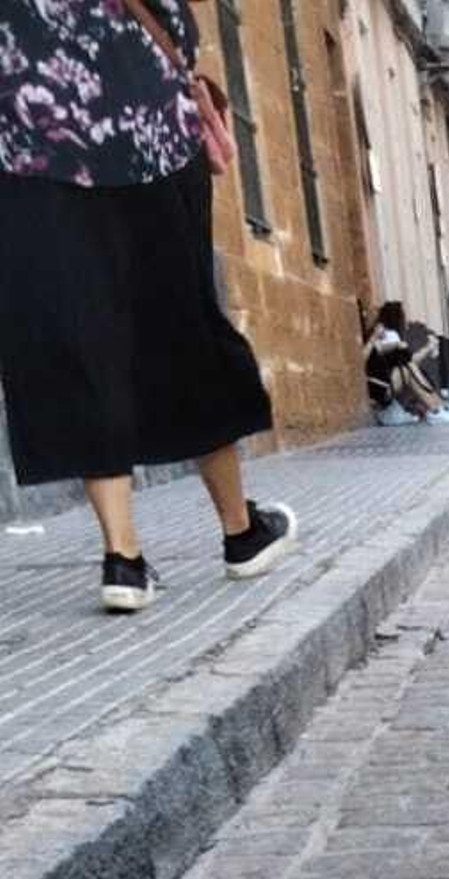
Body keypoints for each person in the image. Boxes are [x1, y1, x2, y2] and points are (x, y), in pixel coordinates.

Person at [0, 0, 297, 614]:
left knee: (79, 340)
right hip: (145, 132)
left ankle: (123, 560)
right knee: (181, 330)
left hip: (30, 147)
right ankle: (241, 532)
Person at [364, 301, 449, 423]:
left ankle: (440, 407)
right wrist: (374, 339)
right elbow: (360, 361)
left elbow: (408, 360)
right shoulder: (373, 338)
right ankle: (436, 409)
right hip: (378, 388)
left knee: (410, 367)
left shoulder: (387, 336)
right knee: (409, 369)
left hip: (387, 384)